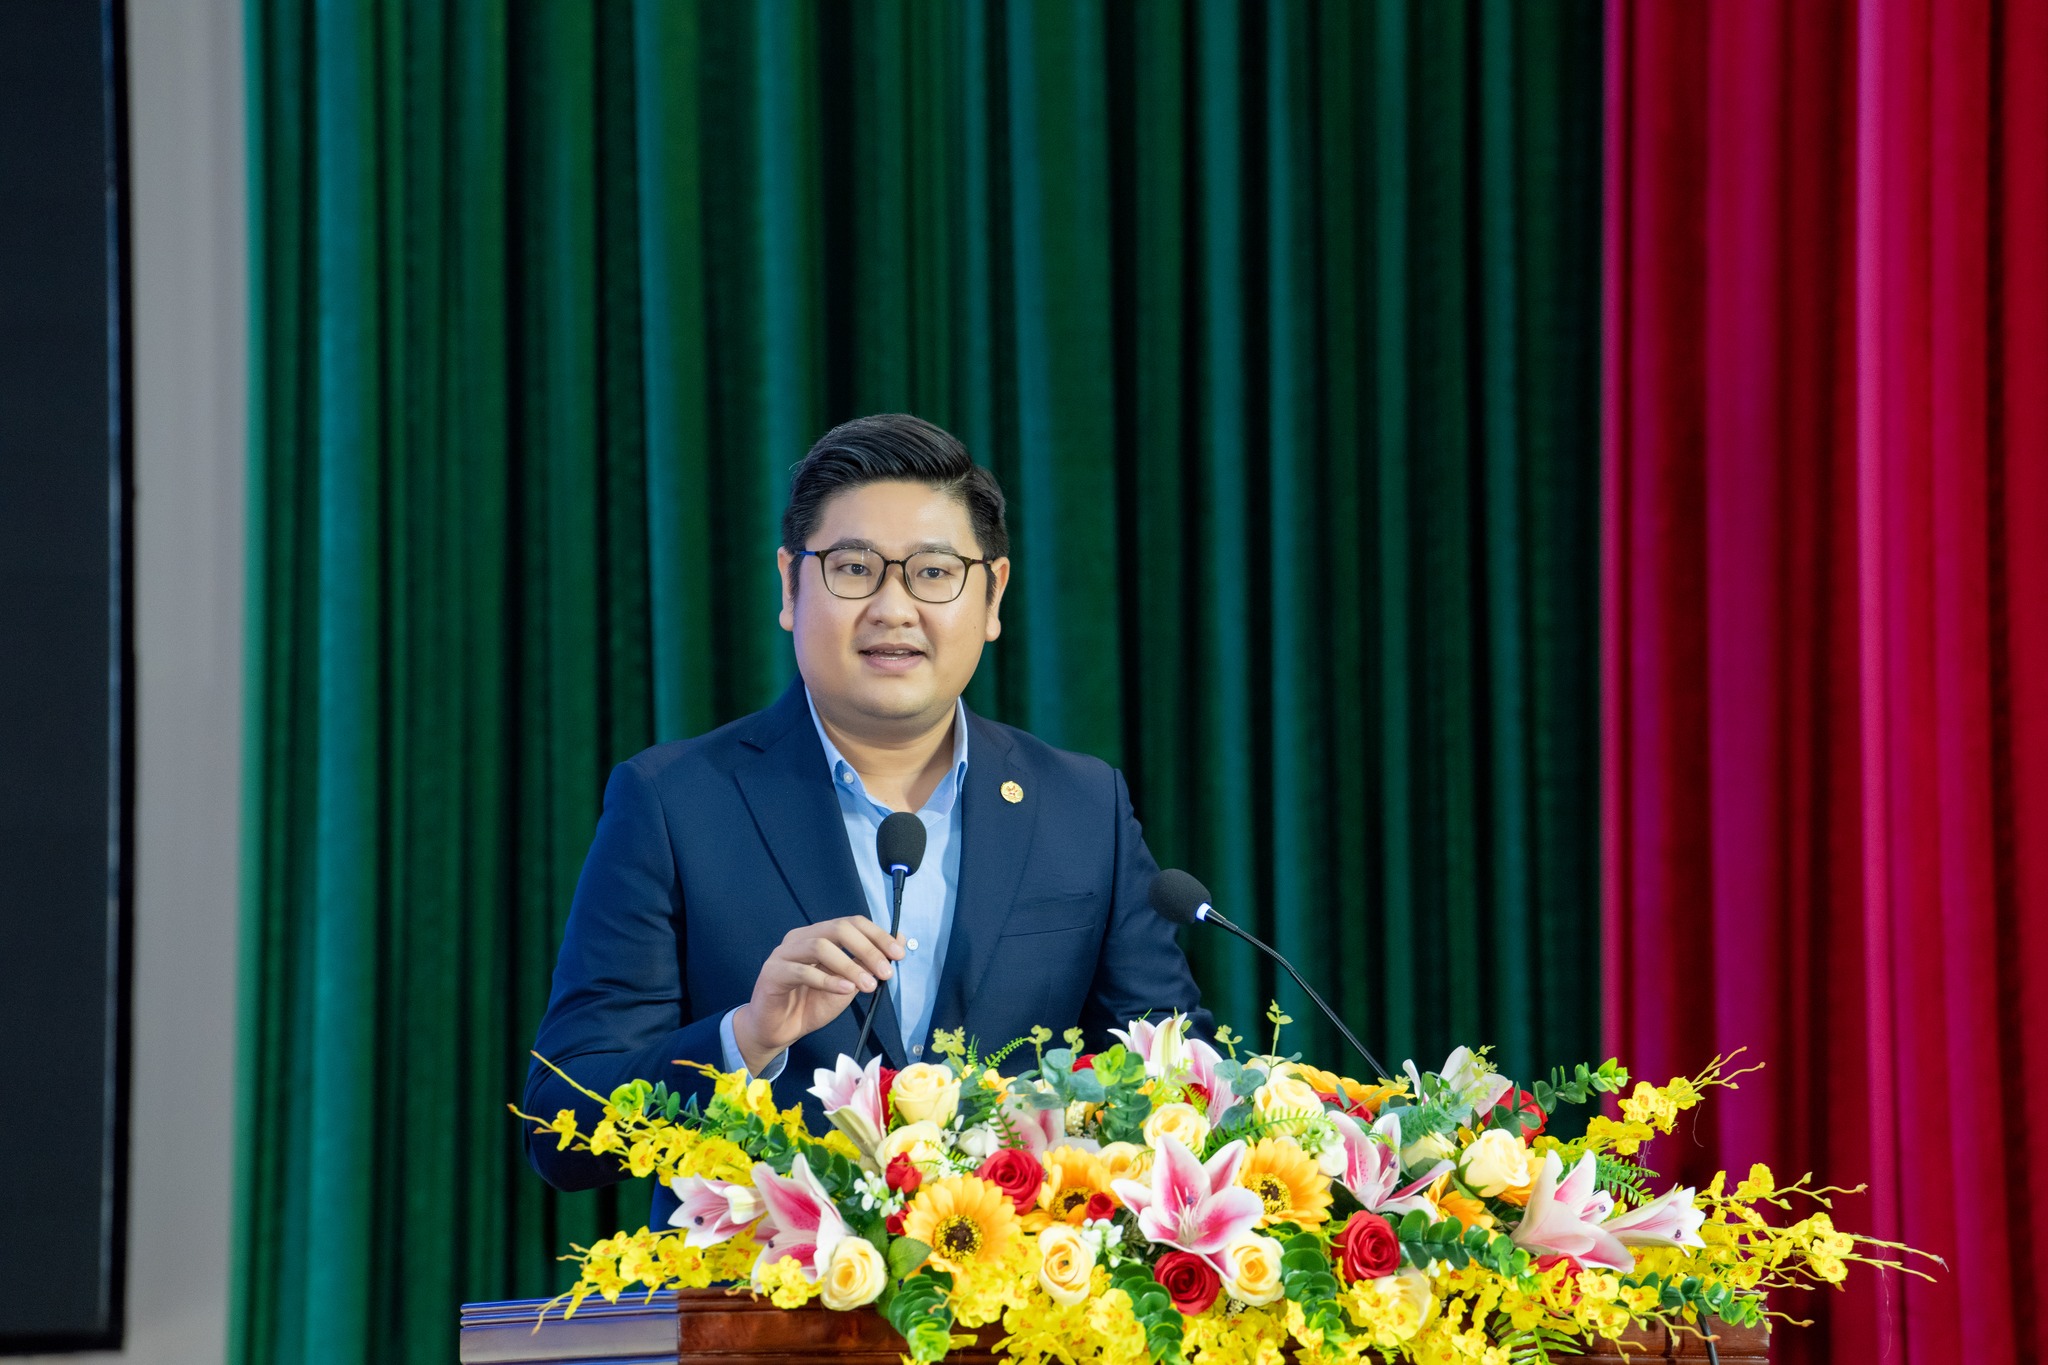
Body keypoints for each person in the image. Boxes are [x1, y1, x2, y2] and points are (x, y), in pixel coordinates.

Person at [523, 413, 1209, 1225]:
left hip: (1022, 1291)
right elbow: (561, 1125)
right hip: (757, 1294)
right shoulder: (673, 803)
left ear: (993, 595)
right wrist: (746, 1038)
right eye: (854, 568)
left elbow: (1180, 1088)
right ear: (790, 586)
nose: (893, 607)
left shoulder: (1082, 806)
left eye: (933, 572)